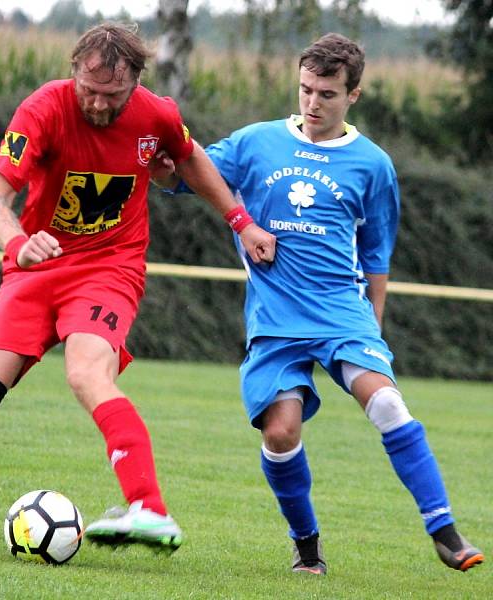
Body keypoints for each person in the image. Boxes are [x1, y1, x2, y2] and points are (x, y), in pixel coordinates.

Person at [0, 22, 276, 550]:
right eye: (89, 90)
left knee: (87, 375)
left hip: (110, 269)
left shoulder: (156, 114)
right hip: (36, 271)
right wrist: (18, 243)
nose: (99, 105)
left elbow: (191, 157)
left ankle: (150, 511)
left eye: (113, 95)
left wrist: (240, 221)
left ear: (135, 83)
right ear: (73, 71)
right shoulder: (42, 109)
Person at [155, 32, 484, 574]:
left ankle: (444, 529)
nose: (313, 103)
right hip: (275, 314)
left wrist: (372, 322)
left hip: (341, 312)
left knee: (387, 404)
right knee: (281, 433)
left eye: (327, 93)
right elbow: (189, 173)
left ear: (353, 94)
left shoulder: (373, 165)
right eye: (306, 89)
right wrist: (158, 159)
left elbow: (376, 254)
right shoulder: (256, 142)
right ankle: (307, 547)